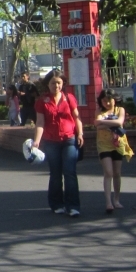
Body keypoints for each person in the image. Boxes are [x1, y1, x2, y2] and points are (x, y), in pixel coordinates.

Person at [31, 69, 85, 217]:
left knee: (70, 173)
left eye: (59, 83)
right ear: (48, 84)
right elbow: (40, 122)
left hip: (69, 139)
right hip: (51, 141)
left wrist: (80, 133)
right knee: (55, 174)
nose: (56, 86)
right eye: (53, 83)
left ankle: (73, 206)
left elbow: (77, 118)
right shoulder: (42, 101)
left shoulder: (69, 98)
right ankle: (56, 204)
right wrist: (36, 141)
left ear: (63, 84)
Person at [94, 90, 129, 214]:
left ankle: (117, 199)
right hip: (104, 145)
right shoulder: (99, 111)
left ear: (115, 99)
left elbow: (120, 122)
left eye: (109, 100)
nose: (107, 103)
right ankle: (108, 202)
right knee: (108, 172)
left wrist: (104, 122)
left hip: (118, 144)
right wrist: (110, 123)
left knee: (117, 173)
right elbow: (97, 125)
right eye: (104, 101)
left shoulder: (120, 110)